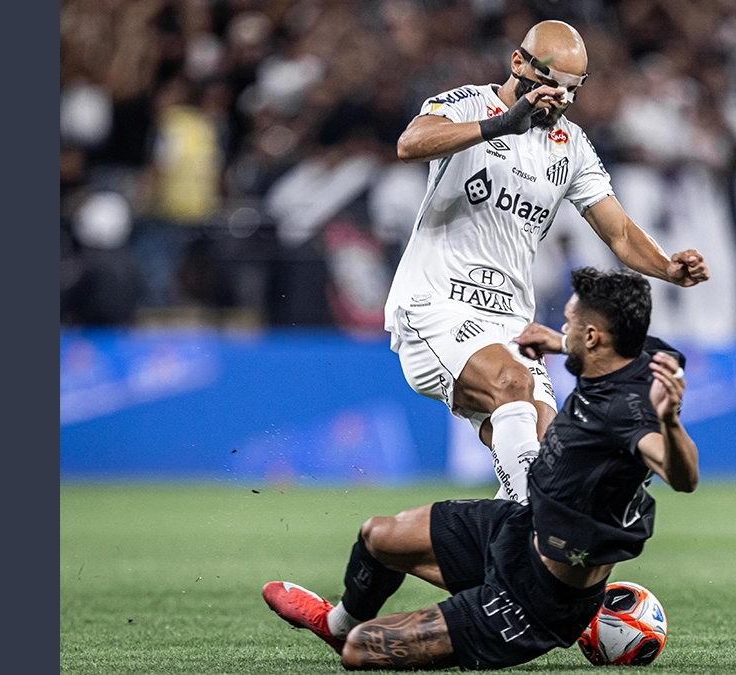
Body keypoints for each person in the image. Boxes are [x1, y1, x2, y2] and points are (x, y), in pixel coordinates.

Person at [263, 267, 700, 670]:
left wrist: (670, 421)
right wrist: (556, 342)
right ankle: (336, 626)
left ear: (592, 337)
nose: (562, 329)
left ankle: (427, 626)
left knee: (364, 650)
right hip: (518, 528)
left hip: (537, 599)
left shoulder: (628, 413)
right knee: (379, 536)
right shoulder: (634, 353)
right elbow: (622, 348)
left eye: (568, 324)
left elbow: (682, 476)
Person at [385, 19, 710, 504]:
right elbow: (409, 145)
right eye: (550, 83)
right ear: (518, 63)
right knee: (512, 384)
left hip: (511, 323)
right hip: (436, 306)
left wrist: (667, 268)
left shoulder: (571, 146)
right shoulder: (467, 104)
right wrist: (502, 123)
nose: (558, 99)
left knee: (552, 464)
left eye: (571, 90)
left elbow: (618, 230)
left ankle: (498, 568)